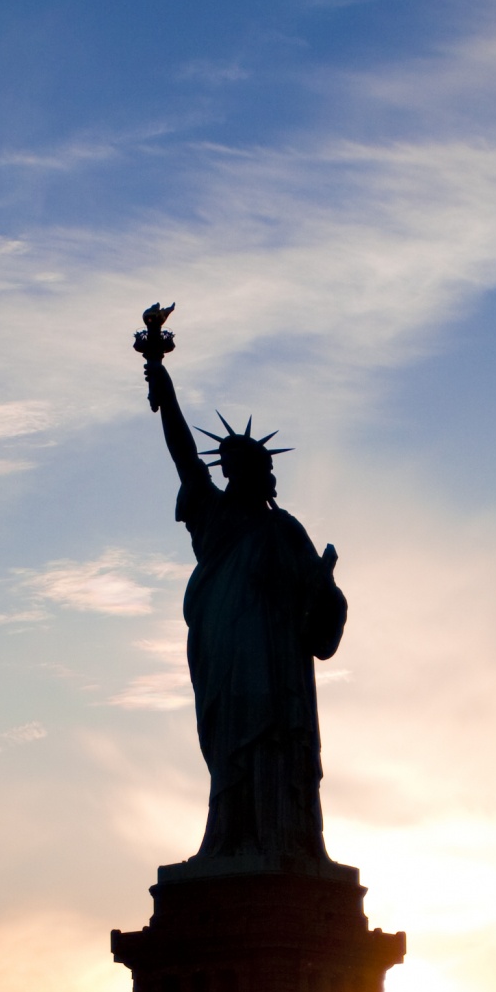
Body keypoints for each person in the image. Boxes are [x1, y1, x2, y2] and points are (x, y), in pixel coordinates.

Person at [144, 355, 347, 866]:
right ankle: (232, 839)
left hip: (279, 668)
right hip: (229, 657)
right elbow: (184, 456)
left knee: (278, 742)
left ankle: (284, 840)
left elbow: (319, 605)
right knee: (234, 747)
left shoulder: (285, 530)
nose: (264, 476)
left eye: (265, 469)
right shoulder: (213, 516)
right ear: (234, 473)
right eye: (254, 469)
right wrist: (164, 389)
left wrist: (324, 586)